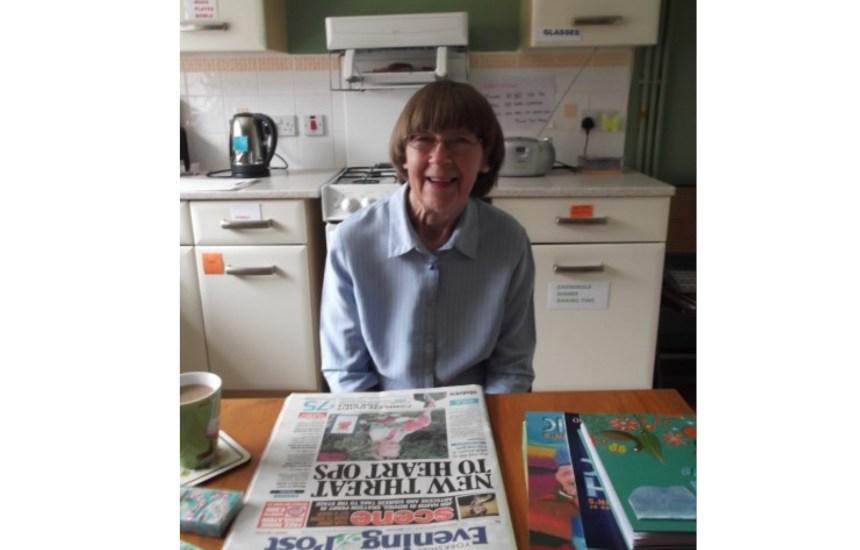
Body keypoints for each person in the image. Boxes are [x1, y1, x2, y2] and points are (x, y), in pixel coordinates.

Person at [320, 80, 535, 393]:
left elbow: (512, 368)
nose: (440, 157)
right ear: (404, 156)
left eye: (459, 141)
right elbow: (346, 369)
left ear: (486, 158)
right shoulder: (352, 241)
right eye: (423, 141)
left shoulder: (509, 241)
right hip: (382, 411)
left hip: (476, 410)